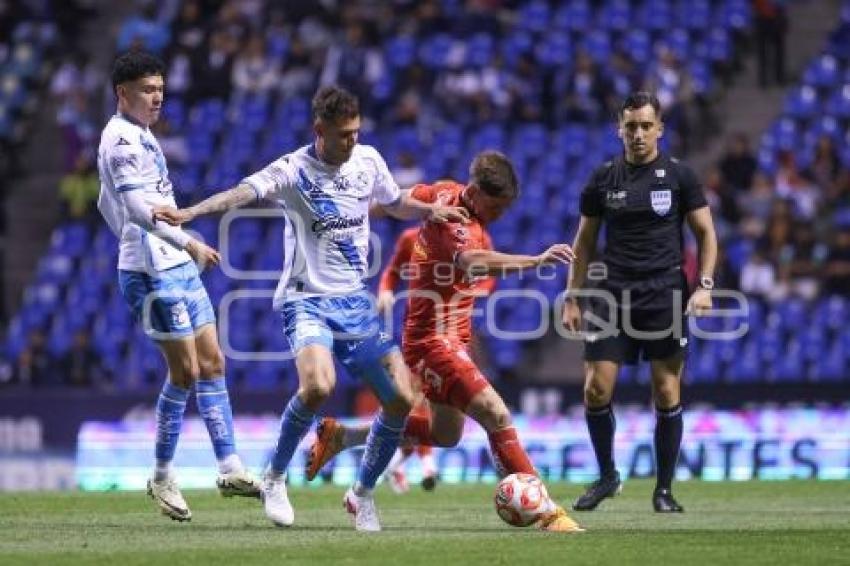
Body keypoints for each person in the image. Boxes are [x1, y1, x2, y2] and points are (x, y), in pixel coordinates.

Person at [152, 85, 469, 532]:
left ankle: (361, 495)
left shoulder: (367, 160)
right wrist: (190, 213)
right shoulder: (293, 169)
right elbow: (240, 193)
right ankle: (276, 475)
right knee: (319, 386)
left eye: (357, 132)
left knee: (400, 398)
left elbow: (394, 201)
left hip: (354, 301)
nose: (352, 141)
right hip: (306, 300)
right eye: (343, 135)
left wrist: (426, 212)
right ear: (319, 131)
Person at [305, 151, 584, 532]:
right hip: (435, 343)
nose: (499, 215)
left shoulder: (441, 192)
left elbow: (391, 203)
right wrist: (534, 261)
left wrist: (349, 218)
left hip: (441, 341)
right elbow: (474, 261)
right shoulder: (458, 222)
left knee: (445, 435)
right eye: (496, 206)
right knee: (497, 414)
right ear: (475, 192)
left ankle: (342, 435)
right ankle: (548, 513)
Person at [96, 50, 261, 522]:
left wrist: (184, 248)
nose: (157, 98)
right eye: (148, 90)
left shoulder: (143, 135)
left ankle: (229, 467)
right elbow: (136, 213)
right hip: (148, 269)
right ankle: (163, 474)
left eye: (161, 90)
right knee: (185, 371)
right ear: (122, 94)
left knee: (213, 361)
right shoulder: (121, 141)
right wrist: (189, 242)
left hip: (175, 261)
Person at [561, 91, 718, 513]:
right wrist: (572, 296)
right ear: (619, 129)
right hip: (613, 292)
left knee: (666, 391)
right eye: (630, 126)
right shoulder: (602, 179)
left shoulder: (680, 177)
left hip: (664, 291)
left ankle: (663, 489)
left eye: (646, 125)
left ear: (660, 129)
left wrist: (703, 285)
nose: (638, 134)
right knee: (596, 389)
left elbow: (706, 233)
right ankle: (608, 475)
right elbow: (585, 241)